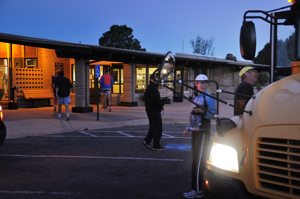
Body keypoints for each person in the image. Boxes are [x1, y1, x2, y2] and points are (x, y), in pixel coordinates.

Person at [183, 74, 216, 199]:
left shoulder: (209, 97)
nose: (203, 85)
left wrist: (202, 112)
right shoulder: (195, 97)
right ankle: (197, 188)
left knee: (198, 162)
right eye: (201, 83)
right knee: (195, 161)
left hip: (203, 132)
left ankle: (197, 190)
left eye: (205, 83)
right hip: (195, 131)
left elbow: (213, 115)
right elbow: (192, 114)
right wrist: (187, 128)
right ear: (196, 84)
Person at [142, 73, 165, 151]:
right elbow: (155, 100)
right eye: (155, 78)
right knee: (158, 128)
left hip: (151, 110)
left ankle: (146, 141)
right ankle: (156, 145)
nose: (157, 80)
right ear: (151, 79)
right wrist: (162, 102)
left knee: (153, 127)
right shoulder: (152, 88)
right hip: (154, 111)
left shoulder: (151, 87)